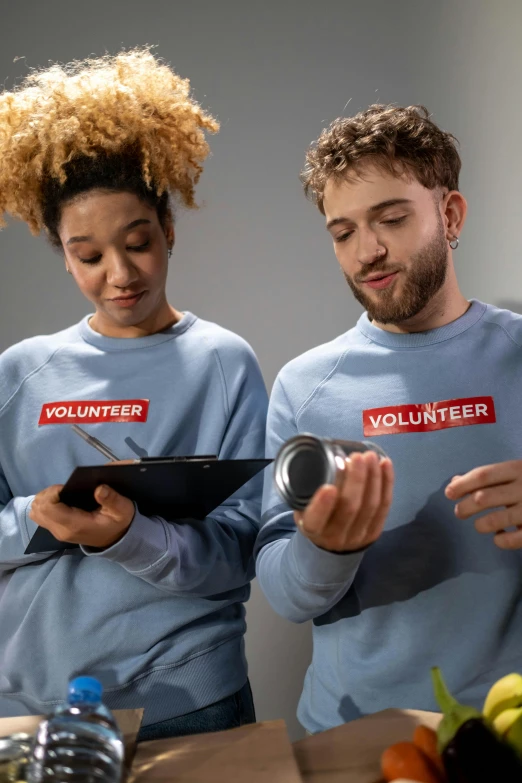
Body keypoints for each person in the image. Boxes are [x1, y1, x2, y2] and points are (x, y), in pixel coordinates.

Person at [0, 48, 268, 740]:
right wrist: (36, 514)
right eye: (88, 255)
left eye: (138, 242)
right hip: (34, 707)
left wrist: (129, 536)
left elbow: (242, 553)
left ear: (169, 229)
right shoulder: (19, 372)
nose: (119, 274)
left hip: (189, 700)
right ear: (62, 252)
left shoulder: (221, 363)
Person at [255, 104, 522, 735]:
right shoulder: (304, 386)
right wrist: (325, 546)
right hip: (355, 735)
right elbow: (286, 595)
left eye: (392, 219)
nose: (367, 252)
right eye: (342, 233)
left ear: (450, 215)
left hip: (506, 728)